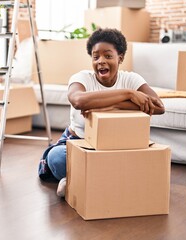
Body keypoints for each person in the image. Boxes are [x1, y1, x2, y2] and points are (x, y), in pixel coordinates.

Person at [38, 28, 165, 197]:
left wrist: (112, 106)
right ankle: (89, 180)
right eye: (95, 56)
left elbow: (158, 107)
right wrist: (129, 94)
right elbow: (78, 100)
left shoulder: (131, 79)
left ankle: (81, 181)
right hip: (80, 142)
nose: (101, 61)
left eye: (108, 56)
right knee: (57, 157)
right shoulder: (82, 78)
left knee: (144, 160)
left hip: (115, 146)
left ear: (120, 58)